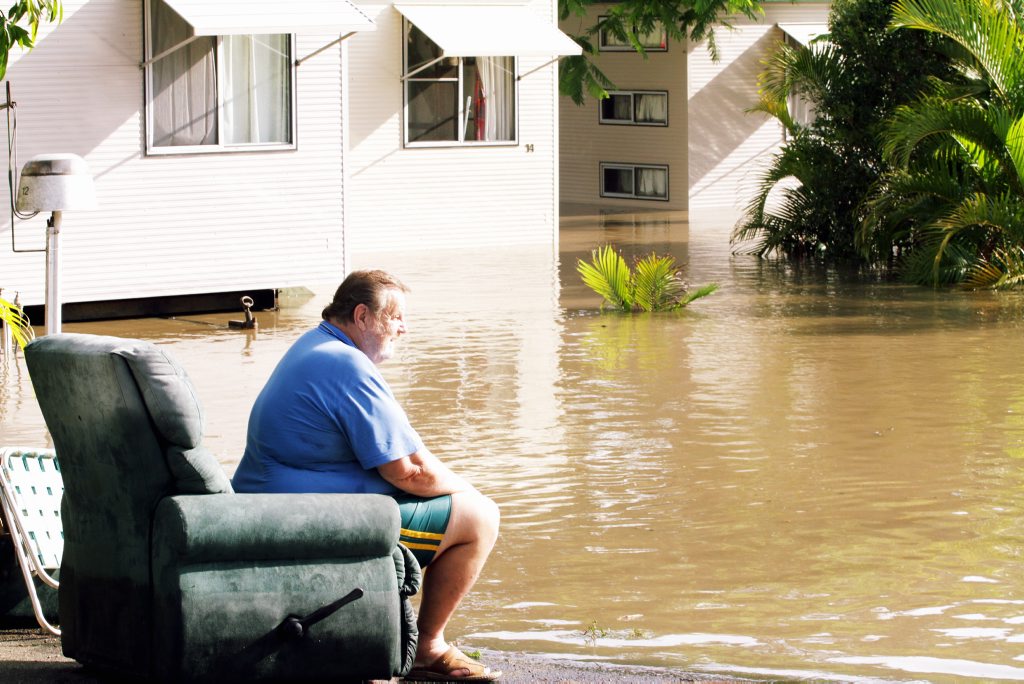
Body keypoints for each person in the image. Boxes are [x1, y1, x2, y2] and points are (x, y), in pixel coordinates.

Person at [232, 270, 502, 682]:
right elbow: (409, 472)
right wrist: (468, 490)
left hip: (273, 509)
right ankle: (427, 647)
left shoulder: (314, 346)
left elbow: (408, 458)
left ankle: (383, 637)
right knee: (480, 517)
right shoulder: (346, 364)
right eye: (395, 318)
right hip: (307, 521)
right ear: (362, 316)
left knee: (460, 505)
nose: (403, 329)